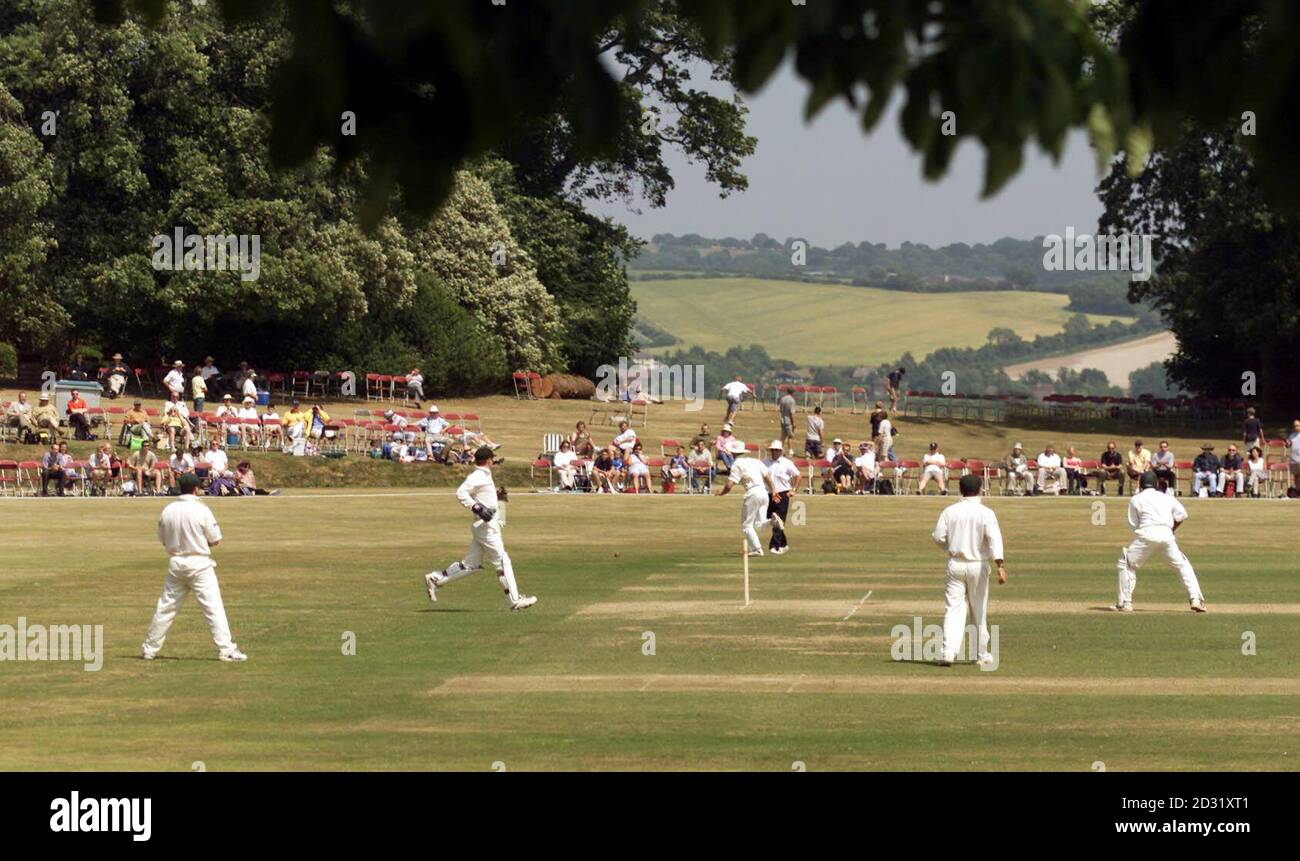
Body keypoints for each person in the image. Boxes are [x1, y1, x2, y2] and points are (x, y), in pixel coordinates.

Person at [141, 472, 248, 661]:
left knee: (165, 608)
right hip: (200, 564)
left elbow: (163, 541)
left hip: (176, 563)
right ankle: (227, 649)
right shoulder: (202, 510)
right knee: (213, 608)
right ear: (196, 489)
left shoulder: (168, 510)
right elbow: (215, 540)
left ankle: (149, 649)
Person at [424, 446, 537, 611]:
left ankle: (435, 579)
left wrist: (499, 500)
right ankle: (514, 600)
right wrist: (477, 508)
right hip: (486, 528)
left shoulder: (484, 475)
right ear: (488, 460)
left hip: (485, 527)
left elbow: (487, 501)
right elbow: (461, 493)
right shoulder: (478, 475)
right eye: (492, 459)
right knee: (503, 561)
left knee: (471, 564)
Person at [931, 473, 1007, 667]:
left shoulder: (950, 511)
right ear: (980, 489)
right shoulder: (986, 512)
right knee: (978, 608)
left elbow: (938, 536)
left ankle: (948, 652)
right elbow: (994, 539)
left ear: (961, 490)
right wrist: (1000, 565)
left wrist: (950, 547)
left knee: (953, 609)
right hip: (978, 565)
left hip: (955, 563)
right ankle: (980, 654)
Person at [1114, 471, 1207, 613]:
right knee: (1182, 565)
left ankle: (1125, 603)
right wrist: (1171, 529)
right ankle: (1196, 599)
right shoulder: (1166, 497)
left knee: (1126, 563)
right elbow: (1182, 515)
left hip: (1146, 534)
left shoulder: (1136, 499)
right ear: (1157, 484)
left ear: (1140, 484)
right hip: (1167, 535)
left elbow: (1133, 525)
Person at [715, 439, 777, 557]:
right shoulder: (755, 461)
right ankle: (772, 521)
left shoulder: (737, 464)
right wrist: (773, 490)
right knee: (759, 524)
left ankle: (757, 549)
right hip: (764, 492)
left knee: (747, 525)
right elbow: (767, 476)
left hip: (753, 493)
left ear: (733, 453)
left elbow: (729, 485)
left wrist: (721, 493)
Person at [763, 440, 801, 554]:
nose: (774, 452)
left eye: (776, 450)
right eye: (773, 450)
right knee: (770, 518)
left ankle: (774, 546)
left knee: (779, 520)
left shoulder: (786, 462)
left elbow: (798, 476)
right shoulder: (764, 462)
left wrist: (793, 490)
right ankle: (784, 544)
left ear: (780, 451)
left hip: (783, 493)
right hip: (768, 494)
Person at [1289, 419, 1300, 495]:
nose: (1296, 427)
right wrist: (1287, 444)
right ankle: (1298, 491)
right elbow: (1288, 445)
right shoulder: (1291, 436)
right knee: (1296, 477)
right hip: (1293, 460)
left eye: (1297, 425)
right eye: (1294, 426)